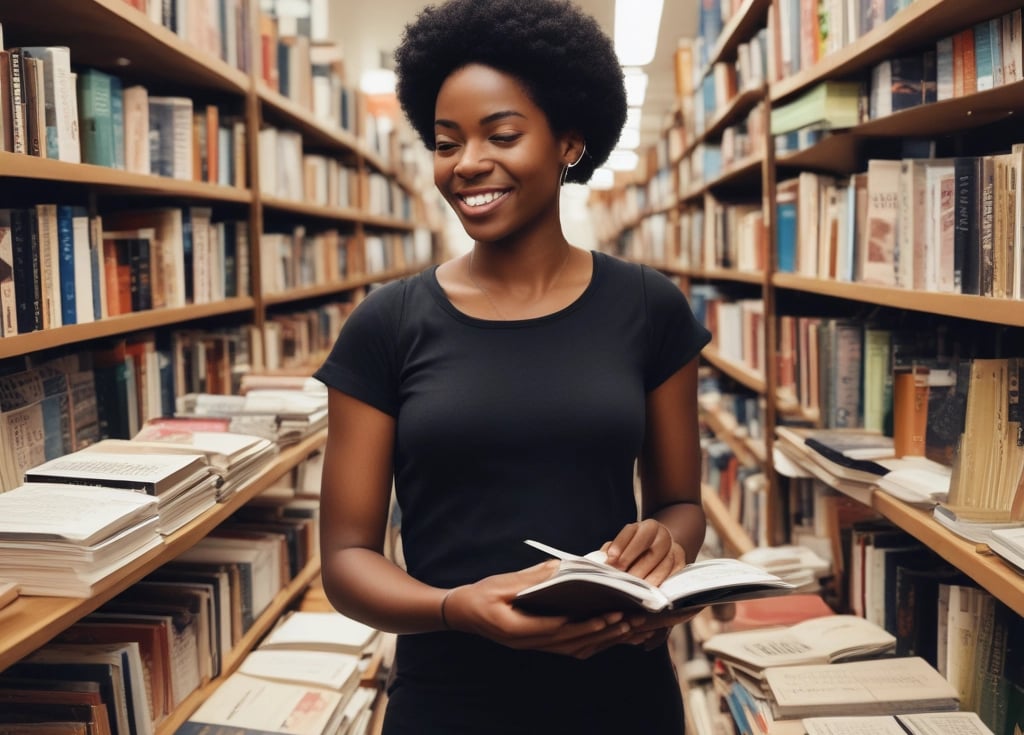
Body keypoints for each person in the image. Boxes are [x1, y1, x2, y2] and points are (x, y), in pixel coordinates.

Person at [314, 0, 712, 731]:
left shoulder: (650, 306)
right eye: (445, 142)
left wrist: (667, 544)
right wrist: (454, 606)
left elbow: (681, 501)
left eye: (501, 134)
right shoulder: (388, 323)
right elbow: (344, 559)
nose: (467, 163)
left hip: (621, 692)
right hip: (451, 697)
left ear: (569, 142)